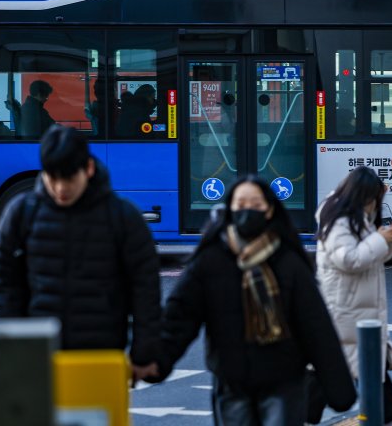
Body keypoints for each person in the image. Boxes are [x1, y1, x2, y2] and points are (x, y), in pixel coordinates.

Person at [148, 175, 356, 425]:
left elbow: (315, 324)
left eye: (256, 204)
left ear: (269, 210)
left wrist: (338, 387)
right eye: (241, 204)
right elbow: (180, 316)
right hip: (233, 382)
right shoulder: (210, 260)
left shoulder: (288, 261)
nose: (248, 211)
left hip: (284, 381)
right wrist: (157, 360)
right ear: (229, 209)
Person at [0, 125, 161, 383]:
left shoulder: (123, 218)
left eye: (69, 178)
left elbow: (145, 288)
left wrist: (143, 353)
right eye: (53, 177)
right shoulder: (21, 214)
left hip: (101, 355)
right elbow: (6, 282)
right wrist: (14, 345)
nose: (61, 188)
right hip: (38, 354)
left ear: (89, 168)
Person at [316, 166, 392, 425]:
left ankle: (390, 419)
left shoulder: (355, 214)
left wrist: (389, 240)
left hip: (359, 305)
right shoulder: (338, 220)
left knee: (371, 364)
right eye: (373, 199)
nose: (375, 205)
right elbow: (349, 259)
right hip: (346, 305)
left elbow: (373, 257)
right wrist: (379, 239)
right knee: (338, 369)